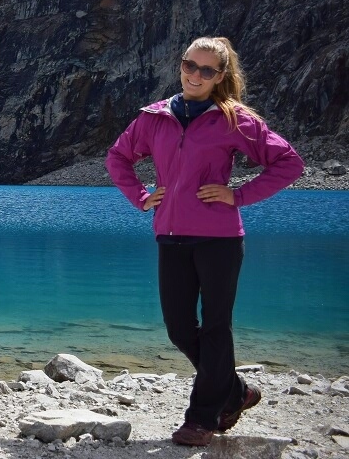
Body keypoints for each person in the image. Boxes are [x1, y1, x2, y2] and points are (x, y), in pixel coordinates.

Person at [105, 36, 304, 447]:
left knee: (215, 328)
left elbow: (289, 162)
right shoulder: (154, 116)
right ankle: (235, 391)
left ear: (221, 76)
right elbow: (118, 157)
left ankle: (201, 417)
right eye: (188, 65)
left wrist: (240, 194)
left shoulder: (236, 120)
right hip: (171, 235)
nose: (195, 74)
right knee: (179, 327)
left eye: (206, 70)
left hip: (220, 240)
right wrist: (142, 197)